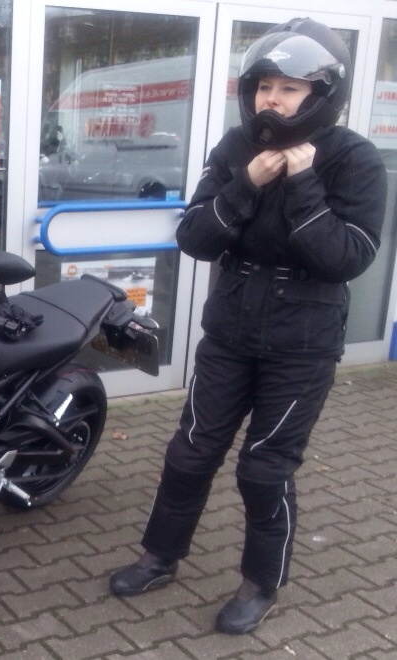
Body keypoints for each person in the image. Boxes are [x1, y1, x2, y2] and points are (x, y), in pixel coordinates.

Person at [109, 17, 387, 635]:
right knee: (190, 452)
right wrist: (246, 183)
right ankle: (160, 556)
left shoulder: (354, 159)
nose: (272, 99)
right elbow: (194, 237)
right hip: (230, 333)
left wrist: (303, 183)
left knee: (264, 468)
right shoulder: (236, 148)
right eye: (265, 86)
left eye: (289, 88)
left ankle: (261, 583)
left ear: (320, 94)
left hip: (302, 344)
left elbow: (348, 258)